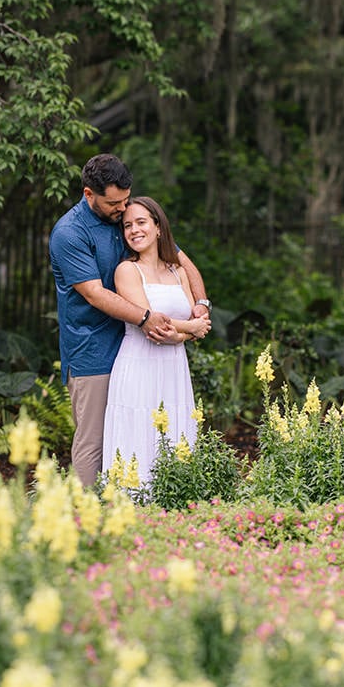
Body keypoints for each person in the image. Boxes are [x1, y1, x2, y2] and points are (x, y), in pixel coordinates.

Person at [49, 154, 209, 486]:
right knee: (94, 442)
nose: (123, 210)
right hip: (92, 349)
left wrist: (202, 303)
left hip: (135, 347)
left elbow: (181, 260)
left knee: (142, 434)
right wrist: (148, 318)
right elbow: (94, 293)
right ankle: (86, 520)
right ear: (89, 194)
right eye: (114, 204)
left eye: (125, 199)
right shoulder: (70, 232)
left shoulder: (129, 219)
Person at [102, 197, 210, 485]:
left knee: (175, 428)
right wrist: (193, 328)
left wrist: (182, 334)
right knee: (138, 430)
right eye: (127, 226)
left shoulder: (178, 271)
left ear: (158, 227)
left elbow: (188, 319)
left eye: (141, 222)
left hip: (173, 365)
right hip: (139, 363)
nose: (134, 230)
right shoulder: (126, 270)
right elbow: (150, 318)